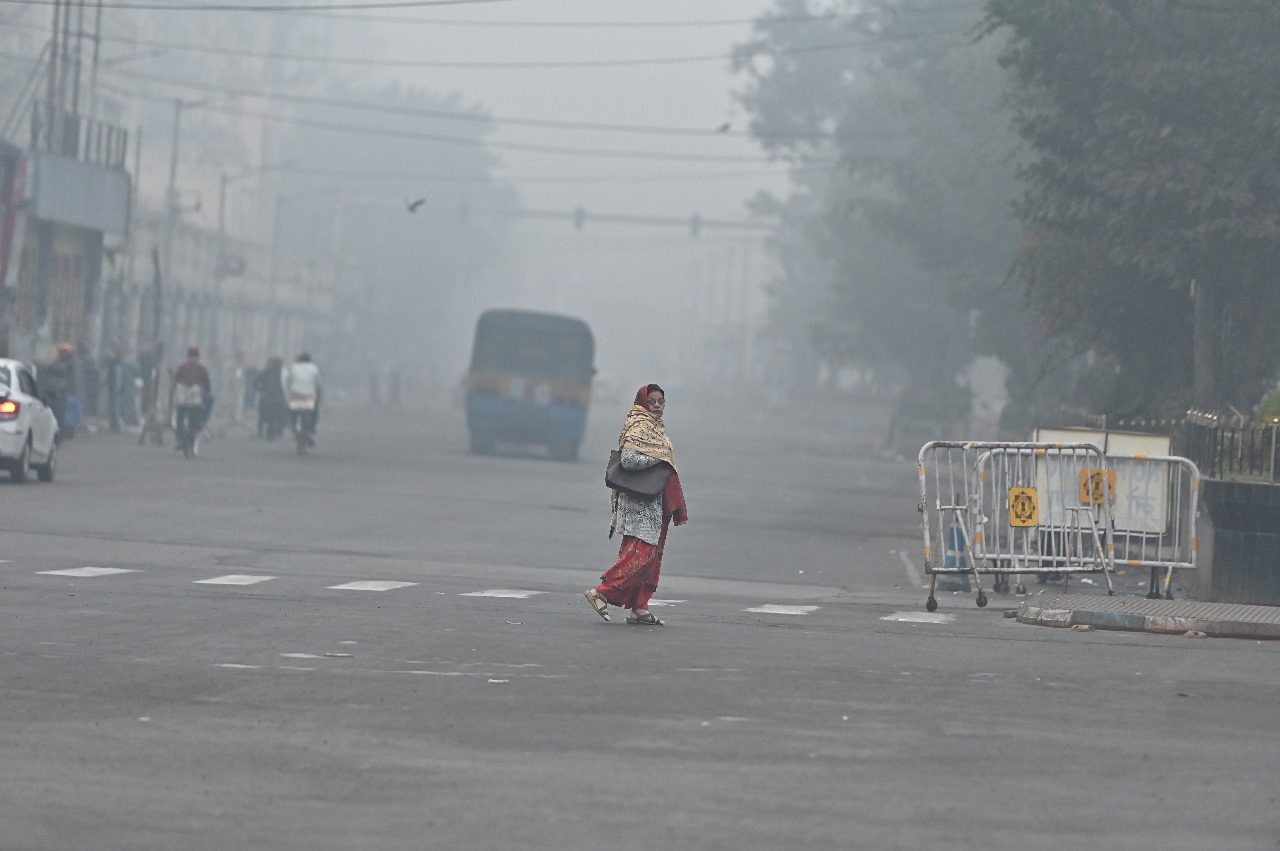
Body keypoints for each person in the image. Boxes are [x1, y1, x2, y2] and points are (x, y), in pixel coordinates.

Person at [584, 383, 688, 626]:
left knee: (652, 555)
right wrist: (657, 459)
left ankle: (639, 607)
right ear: (642, 402)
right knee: (642, 553)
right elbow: (629, 460)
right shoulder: (639, 424)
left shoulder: (656, 427)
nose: (657, 406)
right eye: (652, 401)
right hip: (639, 501)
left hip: (654, 501)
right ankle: (601, 592)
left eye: (661, 401)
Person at [172, 347, 212, 450]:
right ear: (198, 357)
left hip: (183, 400)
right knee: (209, 399)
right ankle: (203, 420)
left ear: (188, 356)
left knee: (179, 419)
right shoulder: (202, 368)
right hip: (195, 400)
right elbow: (208, 386)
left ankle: (180, 439)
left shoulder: (182, 366)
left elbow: (176, 380)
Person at [284, 352, 321, 445]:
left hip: (296, 394)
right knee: (314, 413)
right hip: (309, 395)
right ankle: (311, 429)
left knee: (293, 412)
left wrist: (289, 392)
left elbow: (288, 381)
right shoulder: (314, 368)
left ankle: (293, 426)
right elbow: (318, 383)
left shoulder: (293, 367)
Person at [254, 356, 287, 440]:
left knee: (276, 416)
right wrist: (261, 391)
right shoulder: (264, 373)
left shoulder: (282, 373)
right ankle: (261, 432)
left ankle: (274, 433)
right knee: (263, 416)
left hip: (278, 398)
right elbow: (256, 383)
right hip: (267, 398)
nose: (268, 365)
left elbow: (285, 385)